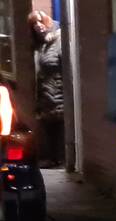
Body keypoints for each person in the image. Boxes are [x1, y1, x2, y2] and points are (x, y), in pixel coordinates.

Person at [28, 10, 63, 168]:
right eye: (34, 24)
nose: (38, 26)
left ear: (47, 21)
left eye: (40, 22)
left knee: (59, 129)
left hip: (59, 94)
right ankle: (52, 159)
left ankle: (61, 160)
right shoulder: (38, 45)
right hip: (45, 96)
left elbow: (66, 68)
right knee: (48, 129)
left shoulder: (58, 39)